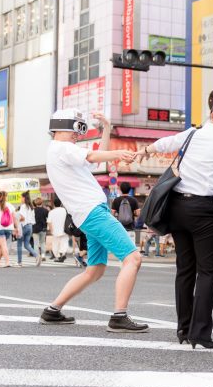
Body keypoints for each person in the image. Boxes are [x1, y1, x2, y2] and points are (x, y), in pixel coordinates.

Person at [137, 97, 213, 348]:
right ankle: (200, 333)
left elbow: (165, 144)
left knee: (184, 269)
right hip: (204, 210)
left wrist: (146, 150)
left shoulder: (193, 134)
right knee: (206, 271)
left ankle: (183, 328)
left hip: (177, 207)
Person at [40, 109, 147, 333]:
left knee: (95, 269)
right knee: (133, 258)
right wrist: (120, 152)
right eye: (77, 129)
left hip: (87, 213)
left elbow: (95, 160)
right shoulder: (62, 148)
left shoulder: (61, 151)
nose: (78, 135)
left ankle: (52, 310)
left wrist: (106, 129)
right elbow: (91, 156)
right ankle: (119, 316)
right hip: (93, 212)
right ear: (62, 127)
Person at [16, 191, 41, 267]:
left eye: (21, 197)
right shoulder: (31, 207)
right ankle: (36, 255)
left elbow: (22, 218)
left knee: (19, 245)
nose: (20, 199)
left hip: (24, 226)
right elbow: (33, 220)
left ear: (24, 198)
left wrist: (16, 220)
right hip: (30, 227)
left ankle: (19, 262)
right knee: (26, 245)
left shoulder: (23, 206)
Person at [48, 198, 70, 263]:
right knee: (64, 242)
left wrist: (51, 230)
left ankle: (58, 256)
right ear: (60, 204)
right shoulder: (64, 210)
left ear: (54, 204)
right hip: (64, 230)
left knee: (55, 244)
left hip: (55, 231)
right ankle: (62, 253)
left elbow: (49, 222)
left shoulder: (51, 212)